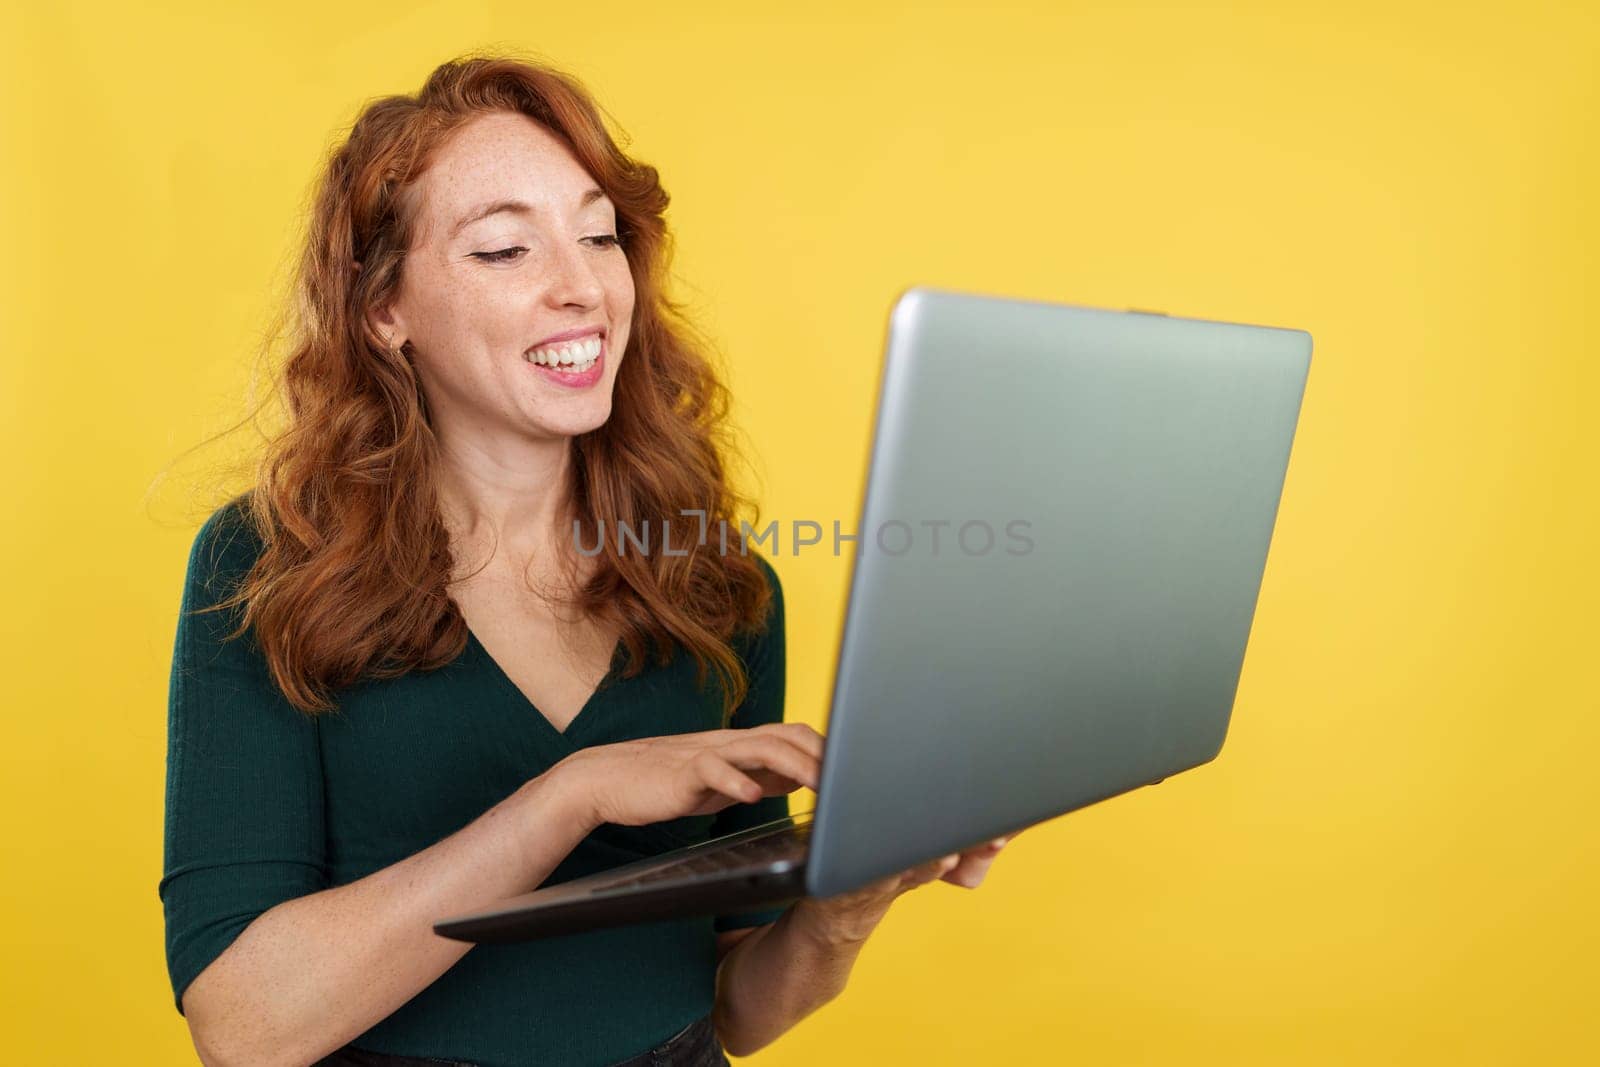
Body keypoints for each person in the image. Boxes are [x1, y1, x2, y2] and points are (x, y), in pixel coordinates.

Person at [160, 53, 1012, 1067]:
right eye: (505, 249)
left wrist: (844, 906)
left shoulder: (717, 585)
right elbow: (243, 1026)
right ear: (384, 309)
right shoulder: (267, 565)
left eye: (599, 235)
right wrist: (572, 794)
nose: (580, 289)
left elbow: (737, 1005)